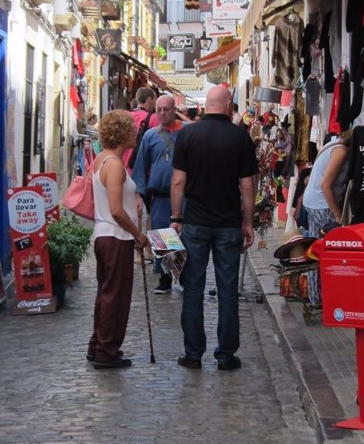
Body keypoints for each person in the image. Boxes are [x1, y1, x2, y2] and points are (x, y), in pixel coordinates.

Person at [170, 85, 259, 371]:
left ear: (206, 105)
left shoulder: (187, 134)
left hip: (195, 222)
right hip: (228, 224)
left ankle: (193, 354)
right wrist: (248, 221)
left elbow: (178, 182)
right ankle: (225, 355)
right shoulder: (240, 138)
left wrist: (176, 217)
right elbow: (247, 185)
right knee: (227, 289)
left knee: (193, 288)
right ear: (230, 104)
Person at [86, 110, 150, 369]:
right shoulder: (113, 164)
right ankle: (107, 351)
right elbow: (115, 208)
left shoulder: (103, 159)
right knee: (116, 296)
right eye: (133, 130)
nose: (136, 133)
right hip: (116, 235)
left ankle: (98, 345)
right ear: (123, 133)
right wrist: (138, 233)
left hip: (106, 235)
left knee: (106, 293)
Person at [132, 94, 187, 294]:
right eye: (158, 110)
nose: (162, 114)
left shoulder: (187, 132)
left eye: (166, 109)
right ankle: (165, 278)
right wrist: (139, 194)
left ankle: (184, 278)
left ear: (174, 109)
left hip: (186, 196)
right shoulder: (150, 136)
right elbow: (140, 166)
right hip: (161, 197)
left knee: (184, 238)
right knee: (163, 238)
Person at [302, 130, 351, 237]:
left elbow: (309, 179)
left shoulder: (331, 144)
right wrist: (338, 215)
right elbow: (325, 185)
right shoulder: (340, 151)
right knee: (333, 242)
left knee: (317, 245)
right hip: (322, 204)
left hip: (312, 202)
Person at [122, 86, 160, 170]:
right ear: (149, 99)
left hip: (121, 168)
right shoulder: (153, 119)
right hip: (141, 170)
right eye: (155, 100)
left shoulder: (123, 116)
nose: (155, 105)